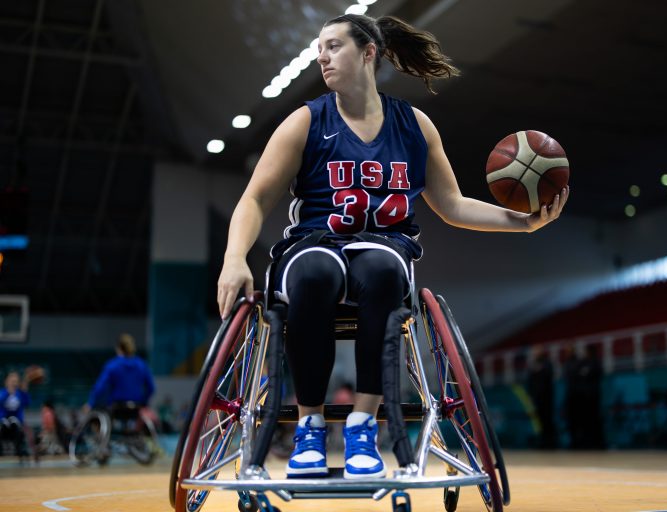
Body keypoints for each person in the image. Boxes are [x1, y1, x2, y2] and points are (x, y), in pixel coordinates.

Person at [217, 13, 568, 479]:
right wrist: (234, 258)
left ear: (368, 53)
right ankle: (309, 427)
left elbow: (453, 205)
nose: (322, 56)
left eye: (333, 46)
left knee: (383, 270)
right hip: (314, 242)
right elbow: (256, 198)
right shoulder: (306, 121)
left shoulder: (413, 125)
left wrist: (523, 224)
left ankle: (363, 423)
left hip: (383, 245)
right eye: (319, 48)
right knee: (316, 274)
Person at [84, 333, 155, 415]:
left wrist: (90, 403)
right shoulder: (142, 365)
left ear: (118, 348)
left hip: (117, 407)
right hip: (136, 407)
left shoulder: (112, 365)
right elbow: (151, 388)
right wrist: (144, 402)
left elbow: (100, 388)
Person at [0, 370, 31, 458]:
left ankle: (20, 450)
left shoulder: (19, 394)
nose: (14, 383)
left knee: (16, 425)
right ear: (7, 382)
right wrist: (8, 392)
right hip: (3, 420)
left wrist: (25, 392)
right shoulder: (2, 392)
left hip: (15, 421)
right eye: (12, 381)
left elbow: (27, 403)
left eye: (16, 381)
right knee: (4, 425)